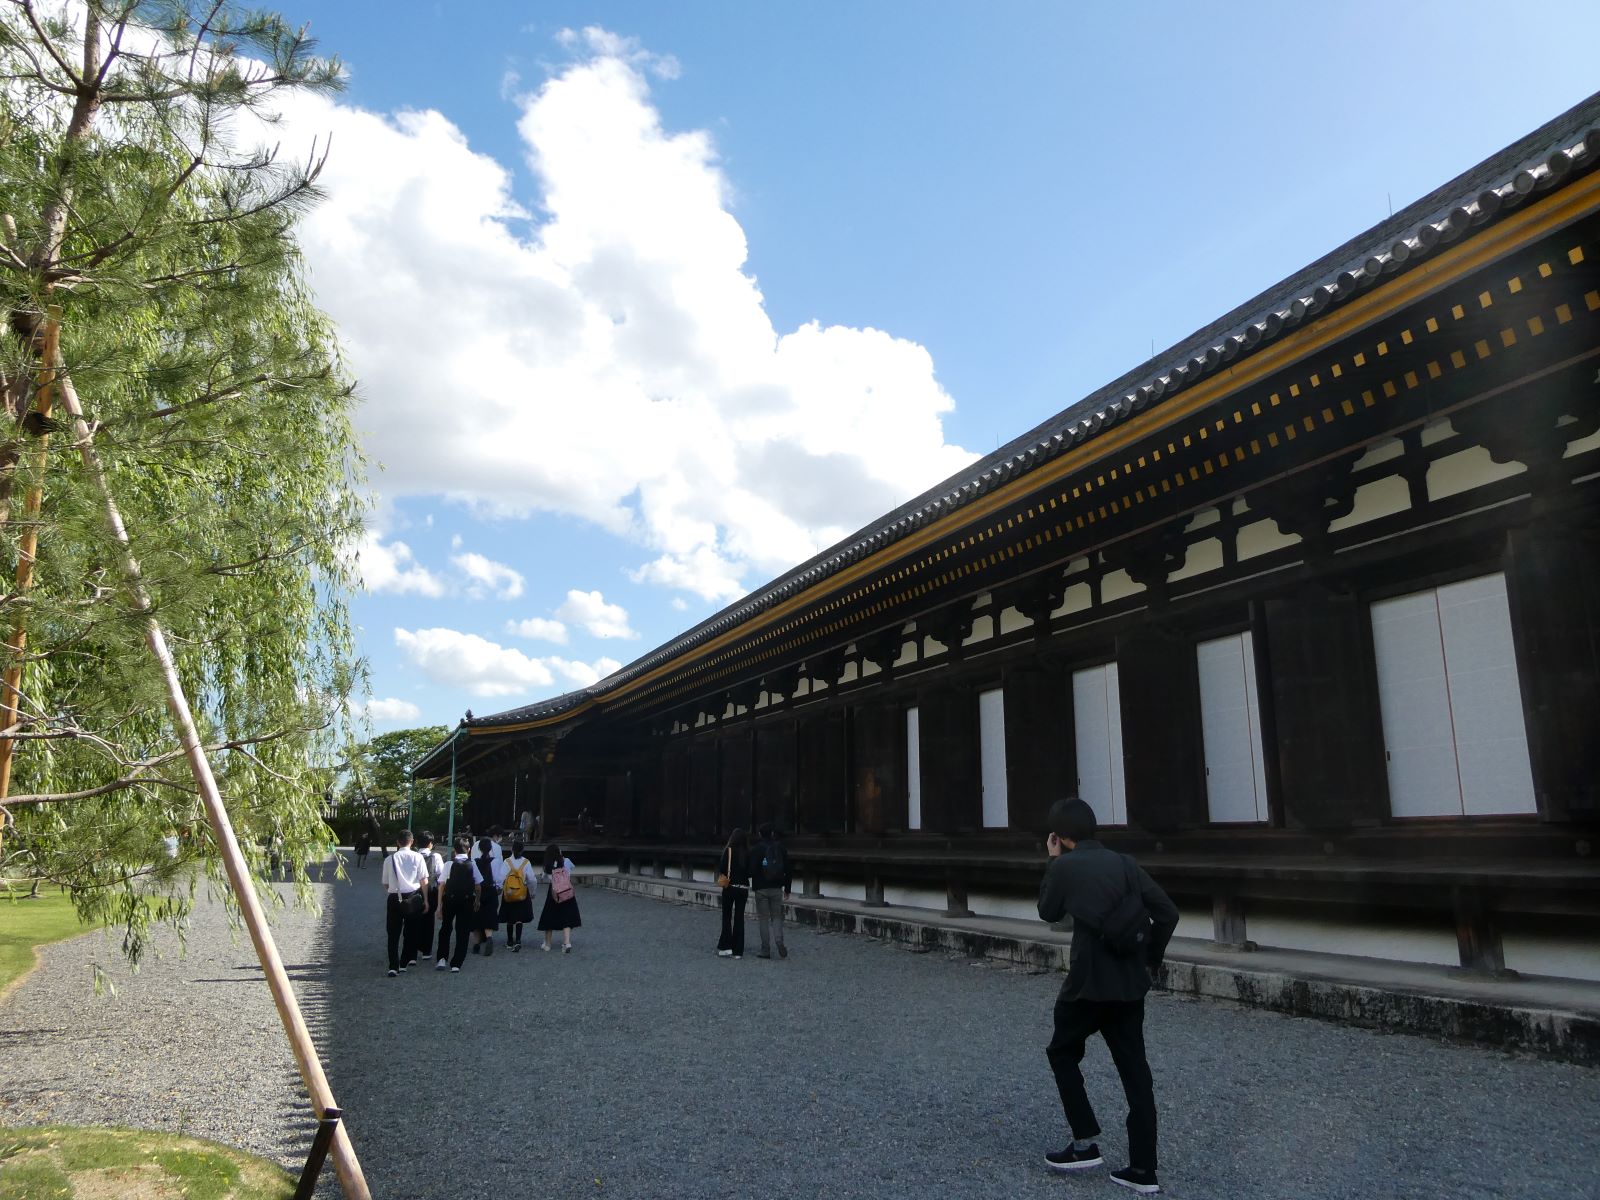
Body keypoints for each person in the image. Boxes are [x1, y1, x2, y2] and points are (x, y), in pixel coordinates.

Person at [1036, 797, 1178, 1195]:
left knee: (1062, 1052)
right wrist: (1150, 958)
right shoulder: (1125, 863)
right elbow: (1168, 913)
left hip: (1086, 985)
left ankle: (1084, 1142)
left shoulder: (1064, 866)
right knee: (1135, 1073)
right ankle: (1144, 1169)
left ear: (1059, 836)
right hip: (1129, 986)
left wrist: (1052, 861)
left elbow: (1048, 911)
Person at [379, 829, 430, 977]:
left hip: (395, 897)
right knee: (411, 931)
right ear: (412, 842)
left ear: (397, 842)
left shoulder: (389, 859)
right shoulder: (418, 857)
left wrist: (394, 890)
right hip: (413, 897)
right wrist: (426, 900)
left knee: (393, 933)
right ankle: (404, 962)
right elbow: (424, 880)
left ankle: (393, 966)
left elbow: (385, 883)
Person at [434, 835, 483, 973]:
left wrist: (439, 906)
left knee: (445, 928)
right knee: (463, 931)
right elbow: (478, 886)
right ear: (469, 849)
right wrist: (477, 900)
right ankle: (456, 963)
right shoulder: (472, 864)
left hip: (450, 899)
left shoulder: (449, 864)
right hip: (466, 900)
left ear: (454, 850)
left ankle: (442, 958)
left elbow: (441, 886)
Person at [750, 823, 791, 960]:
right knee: (777, 916)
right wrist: (787, 888)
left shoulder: (757, 849)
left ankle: (765, 949)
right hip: (776, 887)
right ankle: (779, 941)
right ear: (772, 833)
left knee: (763, 918)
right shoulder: (780, 848)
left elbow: (752, 869)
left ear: (760, 834)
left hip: (761, 887)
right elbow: (788, 868)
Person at [536, 843, 581, 953]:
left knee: (549, 917)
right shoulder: (566, 861)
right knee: (567, 917)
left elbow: (543, 877)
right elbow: (571, 869)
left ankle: (547, 944)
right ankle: (567, 942)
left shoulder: (547, 865)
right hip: (567, 891)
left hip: (554, 892)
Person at [715, 828, 751, 959]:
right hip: (743, 888)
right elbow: (750, 871)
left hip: (730, 887)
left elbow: (722, 868)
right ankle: (738, 951)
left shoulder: (728, 851)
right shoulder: (748, 853)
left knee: (727, 917)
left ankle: (726, 947)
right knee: (739, 918)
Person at [500, 840, 537, 951]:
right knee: (519, 917)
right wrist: (532, 892)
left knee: (509, 917)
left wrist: (500, 888)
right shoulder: (526, 862)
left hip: (509, 893)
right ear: (522, 850)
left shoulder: (507, 862)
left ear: (512, 849)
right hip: (521, 893)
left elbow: (500, 877)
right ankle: (518, 940)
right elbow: (532, 880)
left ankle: (509, 941)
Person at [471, 835, 505, 956]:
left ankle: (476, 944)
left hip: (478, 891)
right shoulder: (496, 861)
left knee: (476, 916)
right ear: (491, 848)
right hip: (491, 890)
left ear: (479, 849)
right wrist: (499, 887)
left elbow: (473, 878)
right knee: (489, 915)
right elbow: (499, 878)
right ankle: (489, 937)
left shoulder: (474, 862)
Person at [413, 832, 444, 962]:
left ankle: (412, 952)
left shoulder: (413, 856)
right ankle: (426, 950)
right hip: (431, 891)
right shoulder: (435, 856)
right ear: (431, 843)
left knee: (413, 921)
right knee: (428, 921)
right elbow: (441, 875)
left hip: (414, 891)